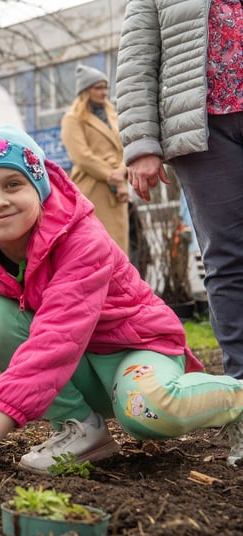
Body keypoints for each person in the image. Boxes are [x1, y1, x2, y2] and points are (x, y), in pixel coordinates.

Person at [0, 126, 243, 494]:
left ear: (39, 187)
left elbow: (55, 341)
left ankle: (236, 401)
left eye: (13, 184)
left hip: (134, 348)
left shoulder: (82, 241)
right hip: (80, 371)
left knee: (146, 412)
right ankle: (81, 430)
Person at [117, 1, 243, 379]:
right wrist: (141, 143)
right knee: (228, 259)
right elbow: (136, 61)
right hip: (204, 132)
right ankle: (242, 386)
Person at [60, 63, 129, 253]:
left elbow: (126, 148)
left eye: (105, 87)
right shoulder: (72, 119)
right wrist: (115, 175)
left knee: (119, 249)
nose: (104, 92)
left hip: (117, 190)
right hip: (93, 189)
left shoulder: (113, 116)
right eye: (98, 87)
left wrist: (123, 170)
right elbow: (82, 156)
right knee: (98, 248)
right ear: (85, 91)